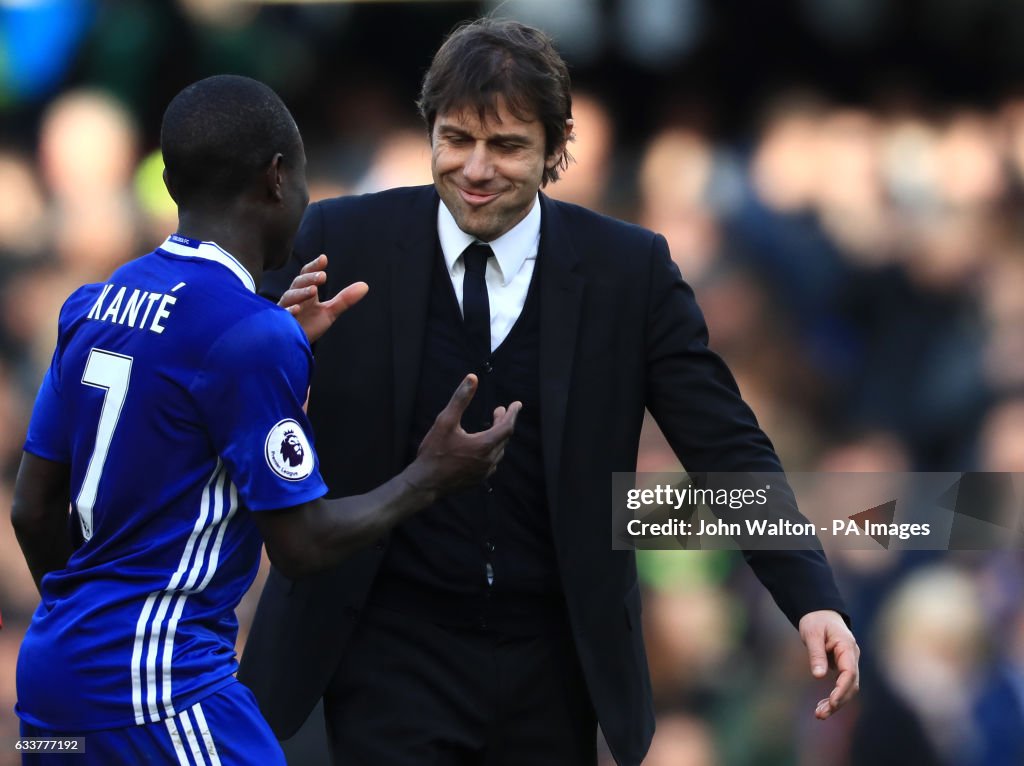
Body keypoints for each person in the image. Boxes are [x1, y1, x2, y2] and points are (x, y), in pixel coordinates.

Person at [239, 18, 860, 766]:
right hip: (384, 645)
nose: (475, 168)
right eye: (457, 138)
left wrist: (810, 592)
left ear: (556, 146)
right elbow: (224, 392)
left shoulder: (628, 271)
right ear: (429, 129)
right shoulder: (340, 239)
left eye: (506, 146)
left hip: (555, 659)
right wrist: (278, 348)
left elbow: (723, 442)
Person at [10, 74, 519, 766]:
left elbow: (32, 512)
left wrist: (86, 633)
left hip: (50, 691)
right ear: (278, 179)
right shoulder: (247, 337)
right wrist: (430, 476)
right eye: (304, 174)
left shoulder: (94, 303)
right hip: (162, 688)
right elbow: (302, 546)